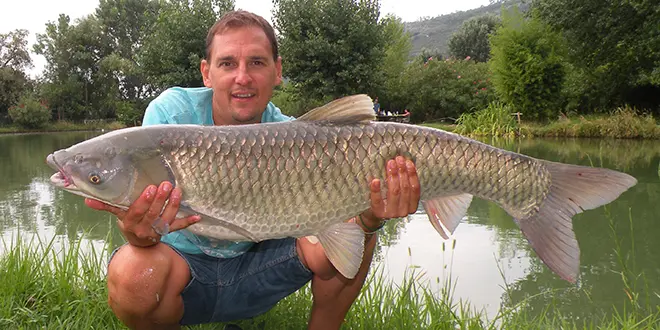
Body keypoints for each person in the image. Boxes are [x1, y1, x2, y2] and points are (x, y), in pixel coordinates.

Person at [85, 10, 421, 330]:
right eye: (228, 63)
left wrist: (370, 218)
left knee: (362, 229)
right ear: (206, 72)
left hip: (264, 266)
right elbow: (143, 227)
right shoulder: (170, 119)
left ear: (277, 71)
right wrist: (136, 231)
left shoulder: (296, 136)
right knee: (131, 273)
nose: (242, 77)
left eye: (256, 62)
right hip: (184, 269)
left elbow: (335, 241)